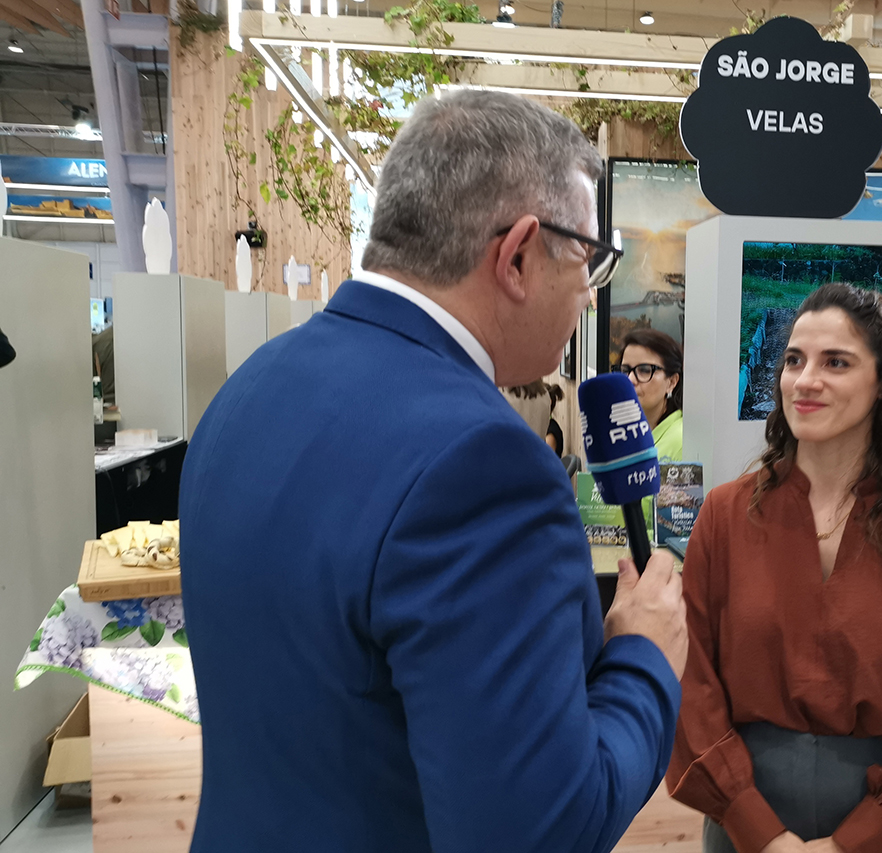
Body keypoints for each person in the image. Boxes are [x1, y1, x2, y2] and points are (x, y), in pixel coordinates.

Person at [179, 90, 687, 853]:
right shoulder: (484, 466)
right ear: (518, 255)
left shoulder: (251, 387)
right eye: (587, 260)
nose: (589, 294)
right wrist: (645, 656)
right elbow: (543, 831)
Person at [666, 283, 882, 853]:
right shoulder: (725, 514)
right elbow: (690, 680)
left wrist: (858, 841)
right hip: (747, 815)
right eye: (794, 360)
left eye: (835, 362)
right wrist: (758, 830)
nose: (805, 380)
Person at [620, 328, 682, 461]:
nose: (630, 379)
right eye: (625, 370)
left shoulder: (681, 441)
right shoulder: (621, 433)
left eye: (644, 370)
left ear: (671, 382)